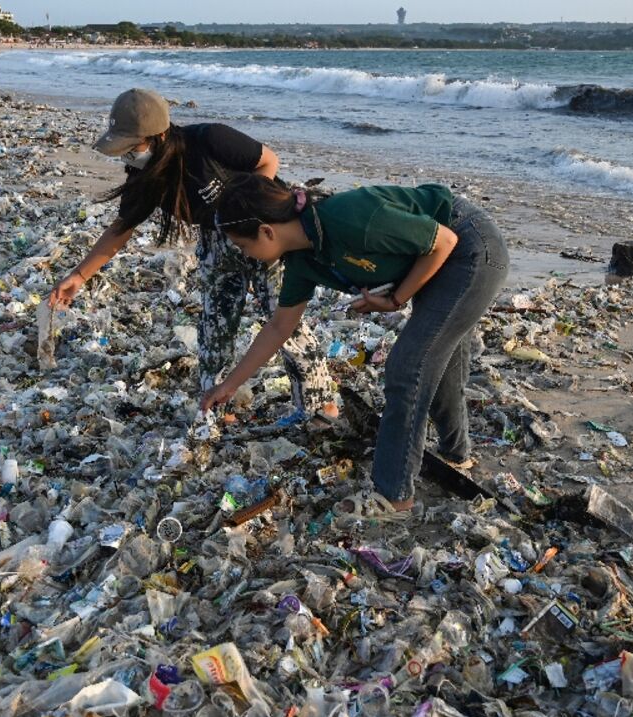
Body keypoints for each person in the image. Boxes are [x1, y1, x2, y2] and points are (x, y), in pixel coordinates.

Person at [200, 174, 509, 512]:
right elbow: (279, 327)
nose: (247, 256)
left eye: (244, 247)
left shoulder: (348, 216)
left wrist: (396, 299)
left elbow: (445, 241)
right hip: (437, 261)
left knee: (408, 368)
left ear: (266, 231)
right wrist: (229, 385)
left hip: (470, 249)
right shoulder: (303, 259)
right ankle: (456, 454)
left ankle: (393, 497)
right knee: (437, 354)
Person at [47, 88, 334, 423]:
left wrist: (244, 211)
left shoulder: (209, 140)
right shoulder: (146, 173)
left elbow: (268, 161)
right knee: (215, 326)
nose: (126, 155)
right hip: (216, 242)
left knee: (283, 320)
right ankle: (215, 408)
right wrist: (79, 276)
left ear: (158, 135)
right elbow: (121, 228)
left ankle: (318, 405)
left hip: (264, 232)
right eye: (121, 148)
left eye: (131, 147)